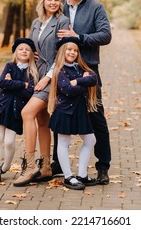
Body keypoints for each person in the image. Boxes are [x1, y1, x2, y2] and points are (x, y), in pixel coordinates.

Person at [52, 0, 112, 184]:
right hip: (62, 70)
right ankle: (57, 165)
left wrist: (79, 37)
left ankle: (103, 166)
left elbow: (106, 35)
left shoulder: (96, 7)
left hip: (88, 71)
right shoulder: (58, 8)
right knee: (60, 115)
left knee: (96, 116)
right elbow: (47, 32)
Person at [13, 0, 70, 187]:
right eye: (49, 0)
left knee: (27, 113)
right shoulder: (36, 23)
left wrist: (47, 77)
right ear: (43, 2)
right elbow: (30, 45)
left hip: (52, 76)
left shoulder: (62, 21)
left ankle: (30, 167)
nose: (53, 3)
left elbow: (62, 53)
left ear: (59, 2)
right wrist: (30, 53)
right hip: (36, 74)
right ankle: (46, 167)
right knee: (42, 120)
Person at [48, 37, 97, 190]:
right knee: (63, 143)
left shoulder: (79, 67)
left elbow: (93, 78)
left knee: (90, 140)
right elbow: (68, 90)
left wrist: (76, 81)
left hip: (79, 111)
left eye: (75, 50)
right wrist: (82, 81)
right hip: (64, 111)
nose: (72, 52)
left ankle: (82, 174)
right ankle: (68, 177)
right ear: (63, 51)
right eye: (69, 49)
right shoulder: (59, 69)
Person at [0, 38, 38, 184]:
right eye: (20, 49)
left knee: (9, 142)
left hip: (17, 110)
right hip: (1, 107)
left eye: (27, 49)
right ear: (15, 52)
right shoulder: (9, 66)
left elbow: (30, 93)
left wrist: (13, 84)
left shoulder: (32, 71)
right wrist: (22, 84)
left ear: (31, 54)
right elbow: (2, 83)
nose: (23, 51)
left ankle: (5, 166)